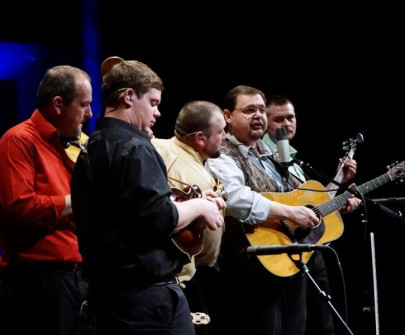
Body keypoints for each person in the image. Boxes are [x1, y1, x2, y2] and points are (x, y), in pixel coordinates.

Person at [70, 57, 224, 335]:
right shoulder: (135, 147)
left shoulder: (91, 148)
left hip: (107, 297)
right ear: (129, 96)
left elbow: (129, 218)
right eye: (153, 103)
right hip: (147, 301)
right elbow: (160, 218)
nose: (158, 113)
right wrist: (200, 205)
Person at [205, 85, 360, 335]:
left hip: (287, 263)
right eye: (248, 110)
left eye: (261, 110)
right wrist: (289, 214)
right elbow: (235, 198)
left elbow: (299, 202)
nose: (258, 116)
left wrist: (334, 203)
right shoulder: (221, 154)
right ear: (227, 116)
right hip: (248, 268)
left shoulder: (274, 156)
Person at [0, 65, 94, 335]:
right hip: (38, 281)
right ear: (58, 104)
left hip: (77, 274)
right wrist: (79, 199)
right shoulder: (18, 140)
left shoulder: (78, 142)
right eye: (84, 105)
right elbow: (20, 207)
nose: (89, 114)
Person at [262, 94, 358, 335]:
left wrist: (340, 182)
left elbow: (313, 205)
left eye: (290, 117)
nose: (286, 124)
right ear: (265, 121)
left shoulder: (293, 161)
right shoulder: (264, 154)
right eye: (278, 119)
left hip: (310, 246)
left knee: (321, 322)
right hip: (282, 248)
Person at [152, 100, 227, 334]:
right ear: (200, 138)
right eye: (221, 132)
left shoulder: (155, 145)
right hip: (181, 277)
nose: (225, 136)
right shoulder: (196, 177)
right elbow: (204, 247)